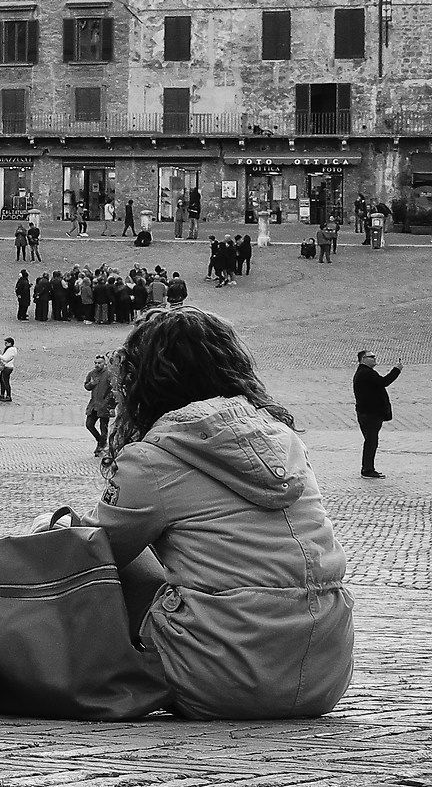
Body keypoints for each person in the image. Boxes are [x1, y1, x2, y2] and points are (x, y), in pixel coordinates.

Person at [79, 308, 351, 719]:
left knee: (108, 554)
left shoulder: (153, 458)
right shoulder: (283, 439)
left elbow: (97, 550)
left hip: (219, 677)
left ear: (142, 382)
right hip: (323, 673)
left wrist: (48, 530)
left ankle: (73, 667)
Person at [355, 349, 402, 479]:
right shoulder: (365, 373)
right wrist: (396, 370)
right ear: (363, 359)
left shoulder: (365, 372)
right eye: (371, 357)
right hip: (369, 414)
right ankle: (367, 469)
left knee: (371, 441)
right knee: (371, 441)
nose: (374, 358)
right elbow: (384, 382)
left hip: (368, 413)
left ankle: (368, 468)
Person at [84, 354, 116, 456]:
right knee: (89, 424)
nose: (97, 365)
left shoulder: (109, 374)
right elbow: (86, 385)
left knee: (104, 428)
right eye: (96, 363)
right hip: (94, 405)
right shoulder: (92, 373)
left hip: (105, 405)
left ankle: (102, 446)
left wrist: (111, 406)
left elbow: (114, 391)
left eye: (99, 363)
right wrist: (91, 384)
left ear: (105, 363)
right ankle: (101, 442)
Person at [0, 337, 17, 403]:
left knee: (5, 382)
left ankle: (8, 396)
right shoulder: (11, 349)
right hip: (7, 367)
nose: (5, 344)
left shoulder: (10, 350)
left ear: (10, 343)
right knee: (2, 381)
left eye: (6, 342)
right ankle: (2, 395)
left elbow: (5, 359)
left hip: (7, 367)